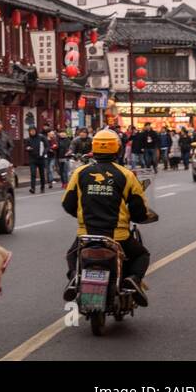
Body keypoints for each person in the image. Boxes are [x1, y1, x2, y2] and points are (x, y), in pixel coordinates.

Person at [62, 129, 156, 306]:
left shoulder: (80, 173)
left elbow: (68, 204)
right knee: (142, 254)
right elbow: (138, 208)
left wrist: (83, 216)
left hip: (86, 235)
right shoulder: (126, 175)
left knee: (71, 255)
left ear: (94, 149)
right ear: (117, 150)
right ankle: (133, 279)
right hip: (118, 237)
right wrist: (139, 217)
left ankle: (75, 277)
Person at [26, 126, 49, 193]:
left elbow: (47, 146)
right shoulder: (28, 139)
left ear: (36, 131)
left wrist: (44, 152)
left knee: (42, 174)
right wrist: (28, 148)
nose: (32, 132)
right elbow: (26, 147)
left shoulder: (41, 137)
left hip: (41, 158)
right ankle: (32, 188)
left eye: (33, 131)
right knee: (33, 173)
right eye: (31, 131)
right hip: (32, 158)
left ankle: (42, 187)